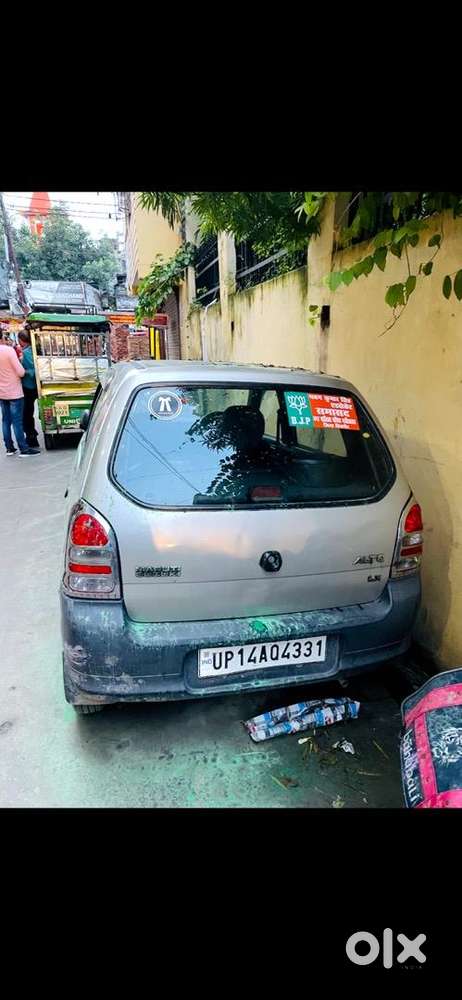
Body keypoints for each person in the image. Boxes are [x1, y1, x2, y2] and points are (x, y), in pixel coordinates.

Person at [0, 328, 40, 456]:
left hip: (1, 392)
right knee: (18, 420)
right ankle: (24, 448)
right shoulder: (8, 350)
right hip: (14, 391)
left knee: (6, 420)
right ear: (3, 337)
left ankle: (9, 448)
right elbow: (21, 372)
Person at [18, 331, 40, 448]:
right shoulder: (33, 349)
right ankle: (32, 436)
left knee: (27, 413)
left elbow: (32, 370)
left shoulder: (26, 352)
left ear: (21, 340)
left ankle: (31, 437)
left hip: (28, 386)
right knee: (28, 412)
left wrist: (23, 371)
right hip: (34, 386)